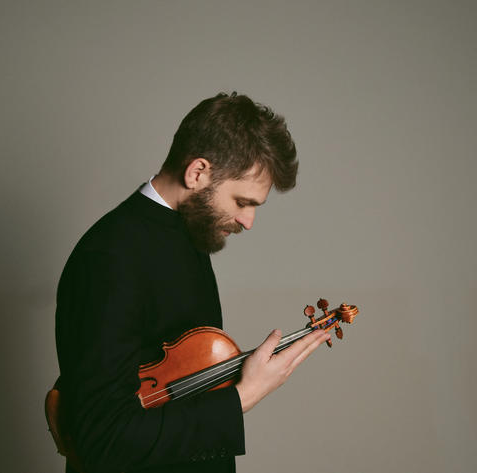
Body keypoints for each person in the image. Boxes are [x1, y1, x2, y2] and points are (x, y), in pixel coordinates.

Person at [54, 92, 331, 473]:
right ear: (197, 172)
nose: (248, 221)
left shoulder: (188, 234)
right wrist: (242, 398)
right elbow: (102, 438)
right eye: (242, 202)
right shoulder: (110, 254)